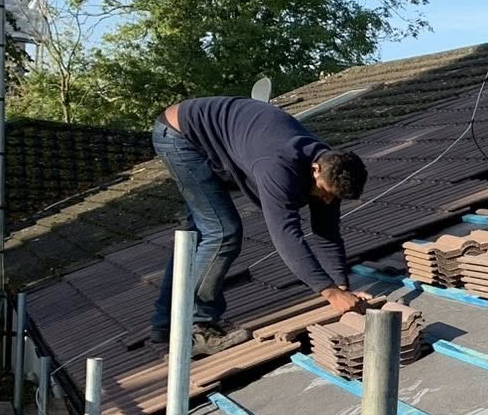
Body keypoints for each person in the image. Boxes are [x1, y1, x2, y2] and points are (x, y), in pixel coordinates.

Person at [151, 95, 371, 354]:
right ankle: (198, 327)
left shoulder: (331, 169)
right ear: (315, 170)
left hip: (213, 135)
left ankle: (165, 324)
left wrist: (342, 286)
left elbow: (327, 232)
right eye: (325, 192)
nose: (327, 200)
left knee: (198, 234)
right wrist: (330, 293)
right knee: (222, 232)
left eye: (333, 197)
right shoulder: (277, 167)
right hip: (181, 136)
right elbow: (286, 236)